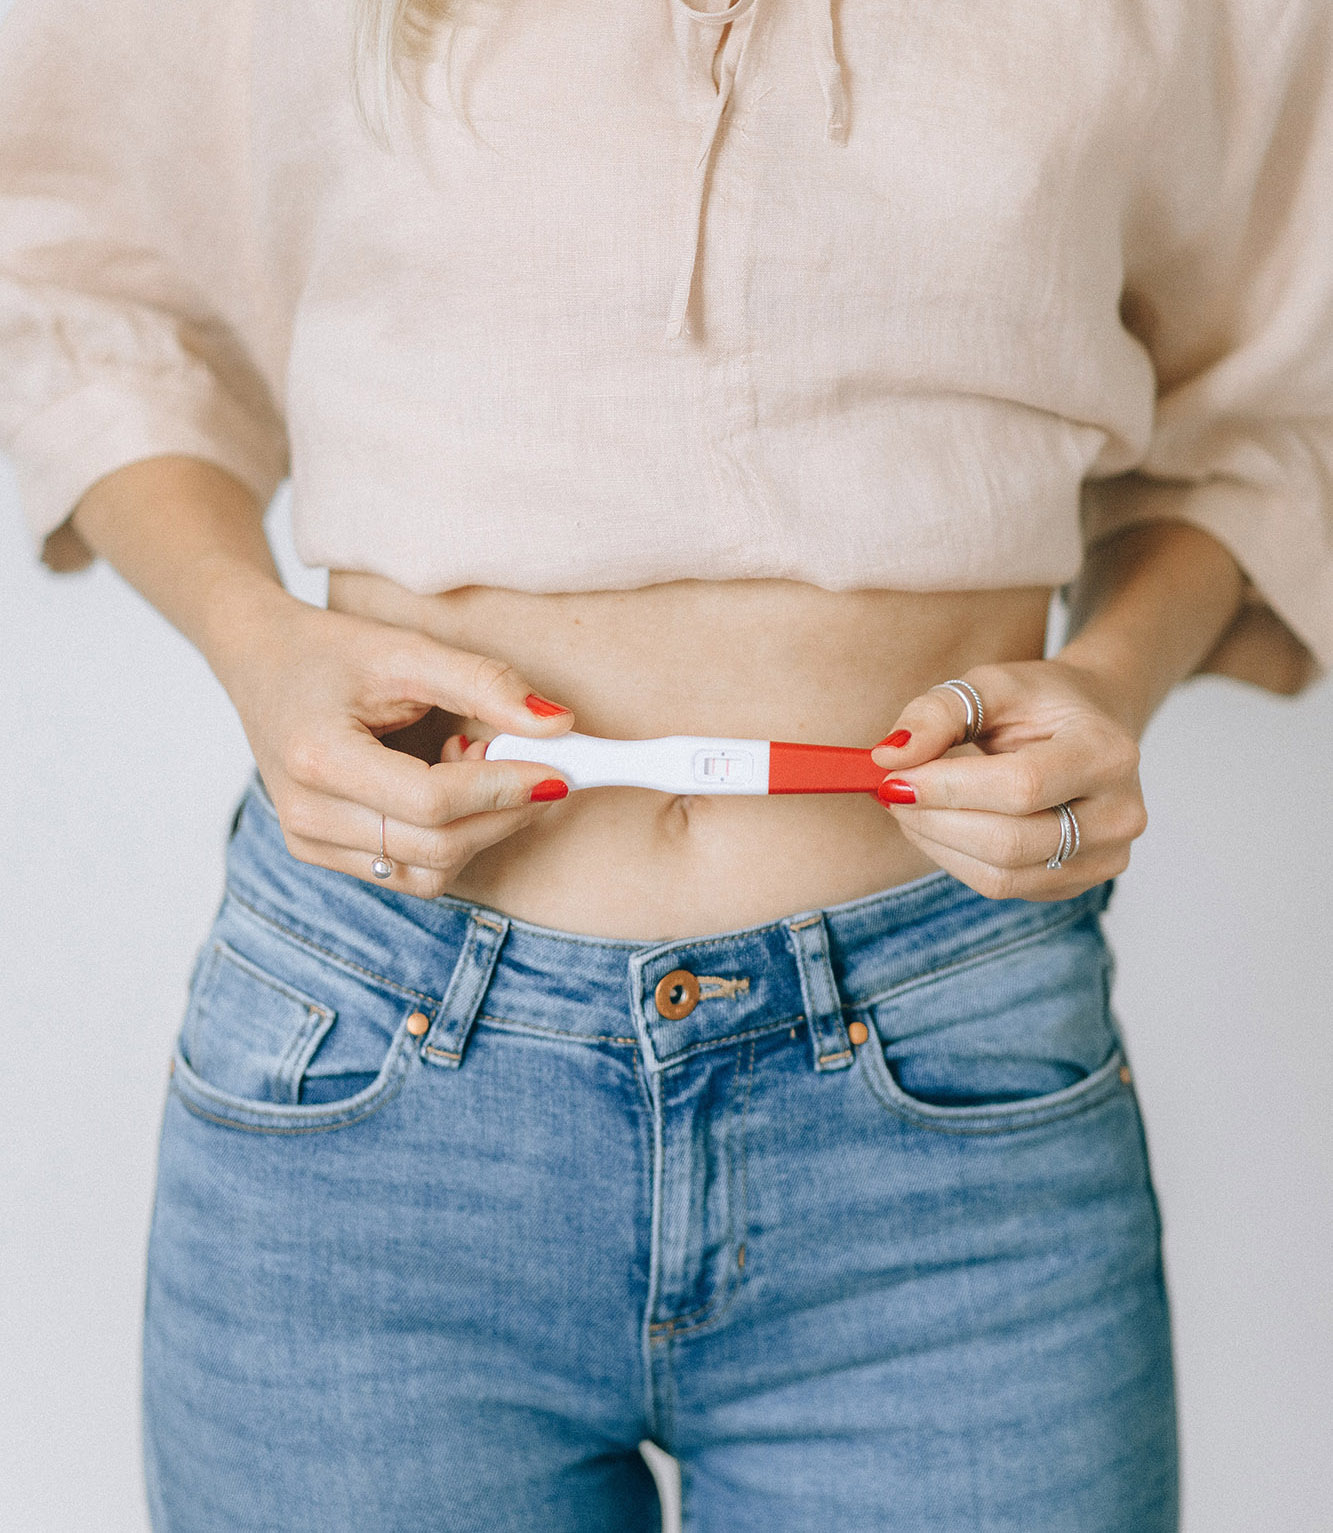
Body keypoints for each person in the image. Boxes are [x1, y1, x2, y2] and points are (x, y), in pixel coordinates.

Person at [2, 1, 1329, 1528]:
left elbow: (1278, 386)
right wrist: (257, 643)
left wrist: (1110, 679)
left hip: (952, 1084)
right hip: (370, 1067)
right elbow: (82, 278)